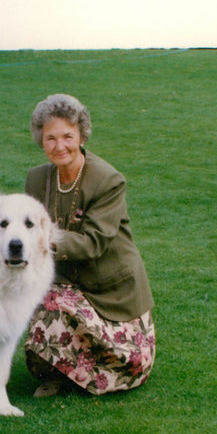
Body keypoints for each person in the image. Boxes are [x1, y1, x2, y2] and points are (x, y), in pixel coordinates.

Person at [23, 93, 156, 397]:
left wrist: (41, 238)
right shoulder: (36, 179)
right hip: (66, 282)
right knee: (41, 295)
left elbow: (93, 243)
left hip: (113, 291)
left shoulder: (108, 180)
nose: (59, 146)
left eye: (67, 136)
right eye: (50, 138)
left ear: (82, 136)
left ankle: (86, 371)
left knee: (132, 365)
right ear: (41, 140)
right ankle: (57, 374)